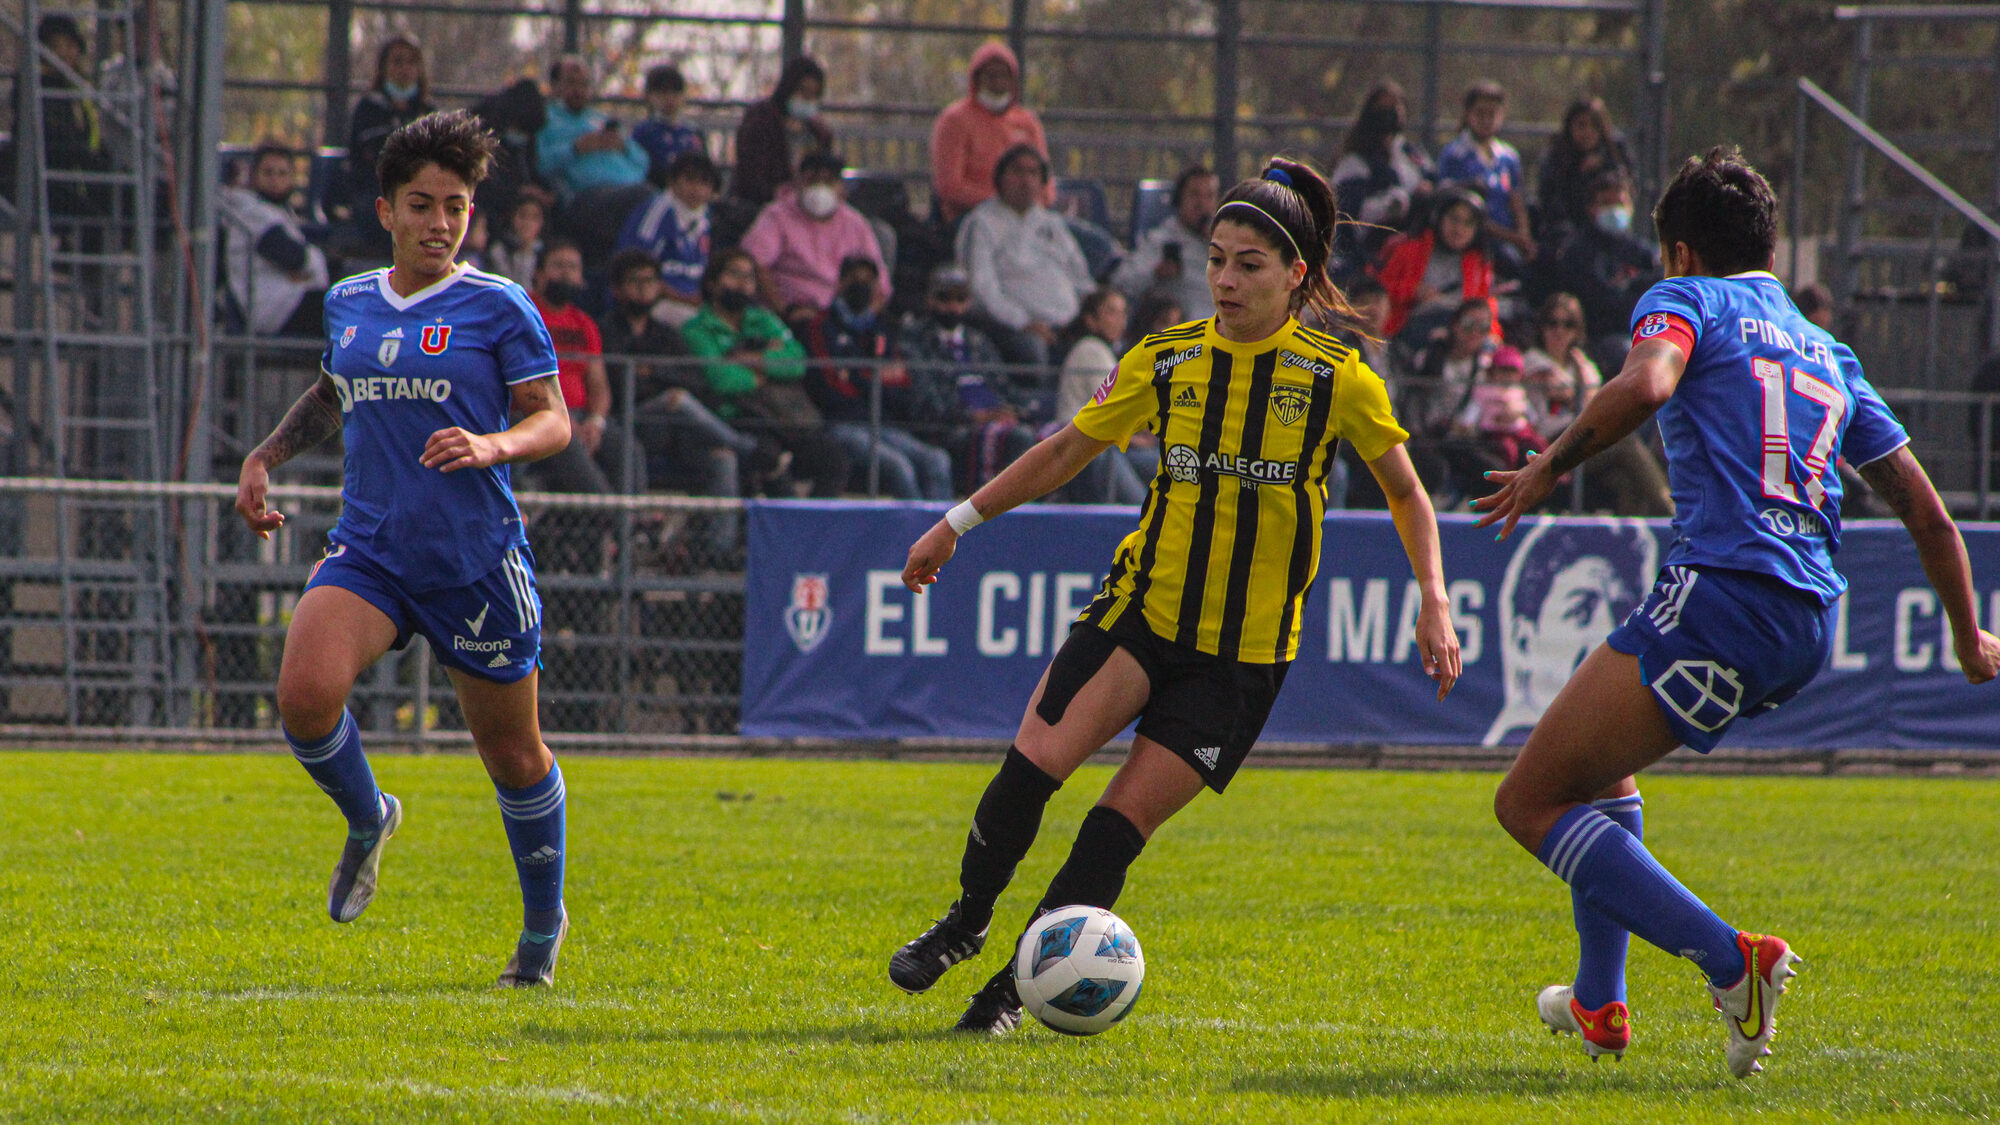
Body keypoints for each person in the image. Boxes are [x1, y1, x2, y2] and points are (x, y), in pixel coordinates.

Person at [886, 157, 1463, 1035]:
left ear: (1296, 275)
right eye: (1217, 259)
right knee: (1024, 776)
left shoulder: (1335, 378)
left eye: (1249, 264)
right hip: (1137, 618)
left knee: (1112, 832)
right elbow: (1061, 452)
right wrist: (955, 522)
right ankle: (965, 922)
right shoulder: (1166, 357)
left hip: (1239, 662)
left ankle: (1008, 994)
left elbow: (1407, 491)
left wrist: (1435, 597)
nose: (1226, 280)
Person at [1474, 146, 2000, 1076]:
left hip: (1724, 588)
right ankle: (1599, 1002)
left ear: (1679, 253)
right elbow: (1922, 506)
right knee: (1600, 772)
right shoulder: (1828, 351)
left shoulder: (1687, 300)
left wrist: (1545, 466)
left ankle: (1733, 960)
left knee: (1529, 800)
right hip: (1806, 617)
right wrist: (1968, 635)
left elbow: (1646, 383)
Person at [232, 110, 576, 987]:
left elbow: (552, 418)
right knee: (305, 697)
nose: (439, 221)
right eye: (421, 204)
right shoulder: (350, 301)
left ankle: (541, 931)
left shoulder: (499, 305)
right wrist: (265, 457)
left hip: (474, 559)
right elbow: (330, 393)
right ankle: (368, 815)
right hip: (373, 549)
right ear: (386, 210)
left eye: (456, 206)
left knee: (513, 754)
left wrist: (492, 444)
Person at [598, 248, 756, 552]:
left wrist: (652, 372)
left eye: (651, 280)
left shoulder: (667, 335)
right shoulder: (607, 331)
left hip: (674, 431)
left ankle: (716, 554)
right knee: (675, 398)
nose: (645, 288)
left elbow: (696, 381)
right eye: (635, 281)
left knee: (723, 459)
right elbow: (620, 383)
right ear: (617, 288)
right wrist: (661, 379)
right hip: (630, 423)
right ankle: (745, 446)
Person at [682, 247, 848, 497]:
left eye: (748, 277)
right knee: (767, 459)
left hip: (781, 416)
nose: (741, 283)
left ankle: (813, 529)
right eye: (733, 274)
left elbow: (797, 362)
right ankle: (782, 530)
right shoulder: (696, 329)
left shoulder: (764, 320)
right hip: (739, 417)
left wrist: (752, 360)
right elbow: (720, 378)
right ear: (712, 282)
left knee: (833, 458)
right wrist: (766, 370)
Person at [803, 255, 952, 499]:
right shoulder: (820, 325)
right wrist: (876, 378)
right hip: (843, 425)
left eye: (869, 281)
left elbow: (902, 385)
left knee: (937, 460)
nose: (862, 286)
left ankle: (947, 536)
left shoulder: (881, 328)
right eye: (855, 280)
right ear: (840, 283)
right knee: (899, 467)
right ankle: (917, 536)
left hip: (883, 424)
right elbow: (829, 387)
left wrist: (856, 376)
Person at [1523, 292, 1672, 516]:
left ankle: (1632, 542)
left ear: (1577, 330)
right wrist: (1584, 397)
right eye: (1552, 323)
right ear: (1541, 326)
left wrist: (1585, 398)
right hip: (1552, 445)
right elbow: (1573, 397)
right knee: (1626, 444)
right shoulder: (1533, 361)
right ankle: (1671, 512)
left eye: (1568, 324)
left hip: (1585, 439)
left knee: (1624, 481)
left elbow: (1594, 403)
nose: (1559, 331)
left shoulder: (1583, 364)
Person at [897, 264, 1038, 493]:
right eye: (944, 298)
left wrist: (1014, 410)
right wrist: (976, 417)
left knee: (1052, 436)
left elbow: (1003, 387)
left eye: (960, 299)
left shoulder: (978, 342)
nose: (952, 307)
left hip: (996, 418)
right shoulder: (914, 342)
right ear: (930, 299)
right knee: (1018, 438)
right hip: (954, 429)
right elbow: (926, 403)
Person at [955, 144, 1095, 367]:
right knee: (1033, 350)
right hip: (1015, 328)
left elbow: (1081, 278)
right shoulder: (982, 223)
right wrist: (1023, 322)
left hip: (1068, 324)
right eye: (1018, 171)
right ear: (1001, 178)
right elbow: (982, 290)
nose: (1026, 180)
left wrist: (1089, 316)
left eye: (1033, 173)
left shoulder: (1053, 224)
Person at [526, 239, 641, 493]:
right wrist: (561, 416)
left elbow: (598, 385)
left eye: (573, 267)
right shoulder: (524, 313)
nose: (566, 273)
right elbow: (524, 377)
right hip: (534, 413)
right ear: (539, 273)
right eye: (558, 266)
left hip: (580, 414)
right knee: (566, 438)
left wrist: (596, 421)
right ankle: (613, 519)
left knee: (627, 446)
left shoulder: (584, 324)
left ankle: (637, 518)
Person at [740, 152, 890, 329]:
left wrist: (862, 319)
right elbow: (755, 263)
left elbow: (880, 284)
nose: (819, 187)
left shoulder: (855, 223)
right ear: (798, 182)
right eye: (812, 180)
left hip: (842, 318)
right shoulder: (777, 216)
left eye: (828, 182)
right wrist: (785, 311)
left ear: (841, 187)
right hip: (790, 316)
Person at [930, 42, 1054, 226]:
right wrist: (1003, 205)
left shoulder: (1028, 123)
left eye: (1004, 76)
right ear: (976, 79)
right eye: (991, 76)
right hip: (974, 218)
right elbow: (949, 187)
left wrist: (1032, 208)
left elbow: (1046, 185)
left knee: (1092, 243)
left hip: (1029, 217)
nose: (998, 83)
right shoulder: (954, 120)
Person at [1552, 169, 1662, 373]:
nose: (1614, 210)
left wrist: (1629, 287)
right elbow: (1601, 301)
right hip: (1598, 338)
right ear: (1591, 208)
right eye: (1606, 203)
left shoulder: (1641, 250)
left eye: (1619, 203)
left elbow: (1663, 279)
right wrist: (1637, 287)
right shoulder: (1577, 251)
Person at [219, 143, 330, 337]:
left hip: (287, 301)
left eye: (282, 173)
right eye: (268, 172)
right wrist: (313, 261)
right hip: (271, 310)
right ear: (253, 176)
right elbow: (293, 258)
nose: (275, 180)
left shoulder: (278, 213)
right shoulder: (249, 209)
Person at [1051, 288, 1149, 504]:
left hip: (1111, 442)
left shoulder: (1110, 352)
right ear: (1091, 320)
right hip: (1082, 442)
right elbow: (1116, 408)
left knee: (1159, 462)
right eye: (1111, 312)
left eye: (1123, 313)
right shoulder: (1089, 348)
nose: (1120, 320)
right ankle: (1143, 519)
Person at [343, 34, 435, 257]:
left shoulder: (428, 110)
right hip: (375, 189)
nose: (405, 68)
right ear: (383, 67)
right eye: (397, 61)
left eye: (412, 62)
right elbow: (374, 156)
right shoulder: (369, 108)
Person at [1330, 80, 1433, 274]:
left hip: (1414, 249)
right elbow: (1347, 219)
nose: (1390, 114)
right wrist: (1398, 202)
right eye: (1383, 108)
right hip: (1370, 253)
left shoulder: (1412, 154)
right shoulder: (1355, 161)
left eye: (1396, 107)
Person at [1434, 80, 1534, 274]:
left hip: (1510, 237)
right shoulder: (1455, 155)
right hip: (1476, 237)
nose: (1486, 119)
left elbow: (1516, 199)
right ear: (1468, 114)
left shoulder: (1508, 156)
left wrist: (1524, 235)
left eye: (1492, 114)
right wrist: (1512, 238)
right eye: (1480, 113)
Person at [1373, 186, 1494, 342]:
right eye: (1454, 219)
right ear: (1438, 218)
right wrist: (1414, 291)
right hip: (1404, 334)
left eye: (1468, 223)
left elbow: (1485, 310)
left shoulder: (1480, 263)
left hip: (1457, 343)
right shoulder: (1408, 248)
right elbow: (1377, 291)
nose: (1459, 229)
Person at [616, 150, 720, 328]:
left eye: (704, 183)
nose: (696, 189)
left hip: (693, 303)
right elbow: (636, 268)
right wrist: (683, 298)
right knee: (697, 326)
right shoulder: (657, 213)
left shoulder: (705, 217)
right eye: (690, 180)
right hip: (655, 301)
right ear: (672, 182)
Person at [535, 55, 649, 207]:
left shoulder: (601, 118)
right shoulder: (545, 120)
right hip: (588, 196)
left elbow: (643, 161)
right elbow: (539, 164)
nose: (578, 90)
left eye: (584, 84)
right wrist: (575, 148)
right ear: (555, 86)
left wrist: (623, 146)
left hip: (631, 188)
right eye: (571, 83)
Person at [1111, 165, 1219, 320]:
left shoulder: (1224, 241)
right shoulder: (1162, 240)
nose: (1202, 204)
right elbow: (1122, 282)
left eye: (1209, 196)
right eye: (1194, 195)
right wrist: (1155, 274)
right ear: (1179, 199)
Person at [730, 56, 833, 208]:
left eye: (814, 95)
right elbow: (751, 175)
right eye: (803, 91)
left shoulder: (818, 133)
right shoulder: (760, 120)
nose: (808, 99)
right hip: (759, 206)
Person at [1536, 97, 1634, 251]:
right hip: (1567, 231)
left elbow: (1625, 185)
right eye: (1581, 125)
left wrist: (1604, 165)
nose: (1588, 132)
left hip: (1609, 229)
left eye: (1594, 126)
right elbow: (1552, 204)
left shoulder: (1614, 153)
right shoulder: (1556, 157)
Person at [633, 63, 705, 187]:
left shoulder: (693, 132)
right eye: (662, 92)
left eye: (676, 92)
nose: (670, 98)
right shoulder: (644, 132)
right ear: (649, 96)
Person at [479, 195, 544, 287]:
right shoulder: (498, 250)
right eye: (523, 216)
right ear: (512, 217)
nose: (528, 223)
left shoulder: (546, 252)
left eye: (534, 217)